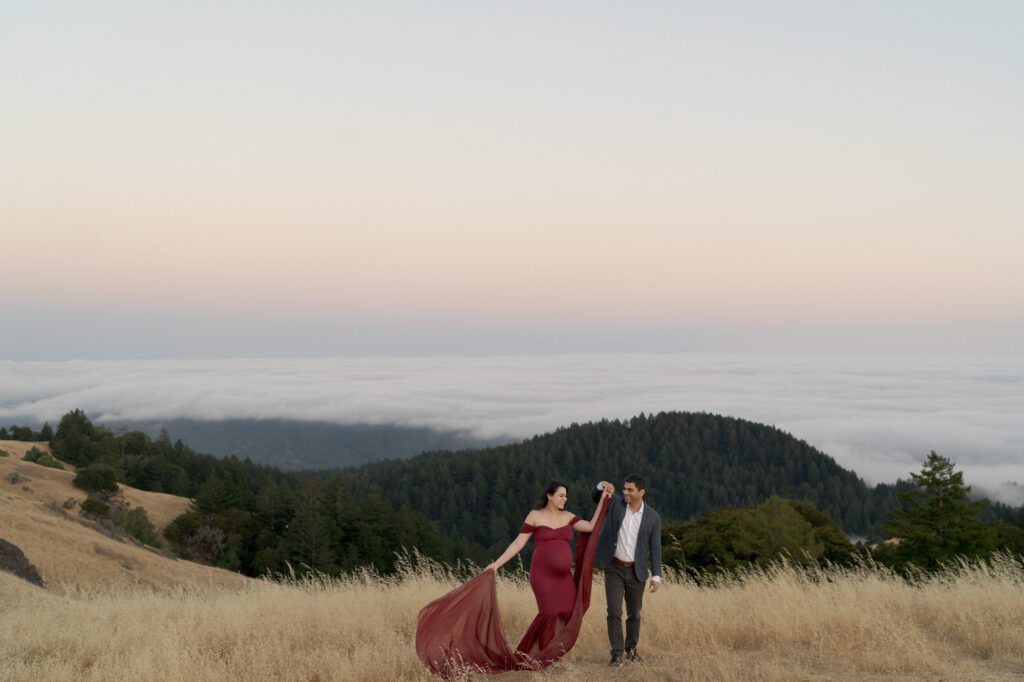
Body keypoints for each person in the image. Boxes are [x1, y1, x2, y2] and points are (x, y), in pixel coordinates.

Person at [415, 480, 610, 676]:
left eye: (566, 495)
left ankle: (558, 657)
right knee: (549, 614)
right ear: (549, 496)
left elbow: (592, 527)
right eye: (561, 495)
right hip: (543, 577)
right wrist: (496, 565)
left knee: (567, 612)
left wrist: (604, 498)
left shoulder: (568, 516)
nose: (564, 499)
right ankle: (545, 661)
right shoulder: (535, 516)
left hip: (564, 578)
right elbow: (518, 543)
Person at [591, 475, 662, 666]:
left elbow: (655, 548)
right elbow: (596, 496)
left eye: (630, 490)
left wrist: (656, 576)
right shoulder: (615, 504)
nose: (626, 493)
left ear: (641, 492)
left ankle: (631, 651)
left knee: (634, 614)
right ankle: (616, 654)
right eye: (624, 489)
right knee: (614, 611)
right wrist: (601, 485)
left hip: (637, 572)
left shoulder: (653, 518)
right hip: (614, 567)